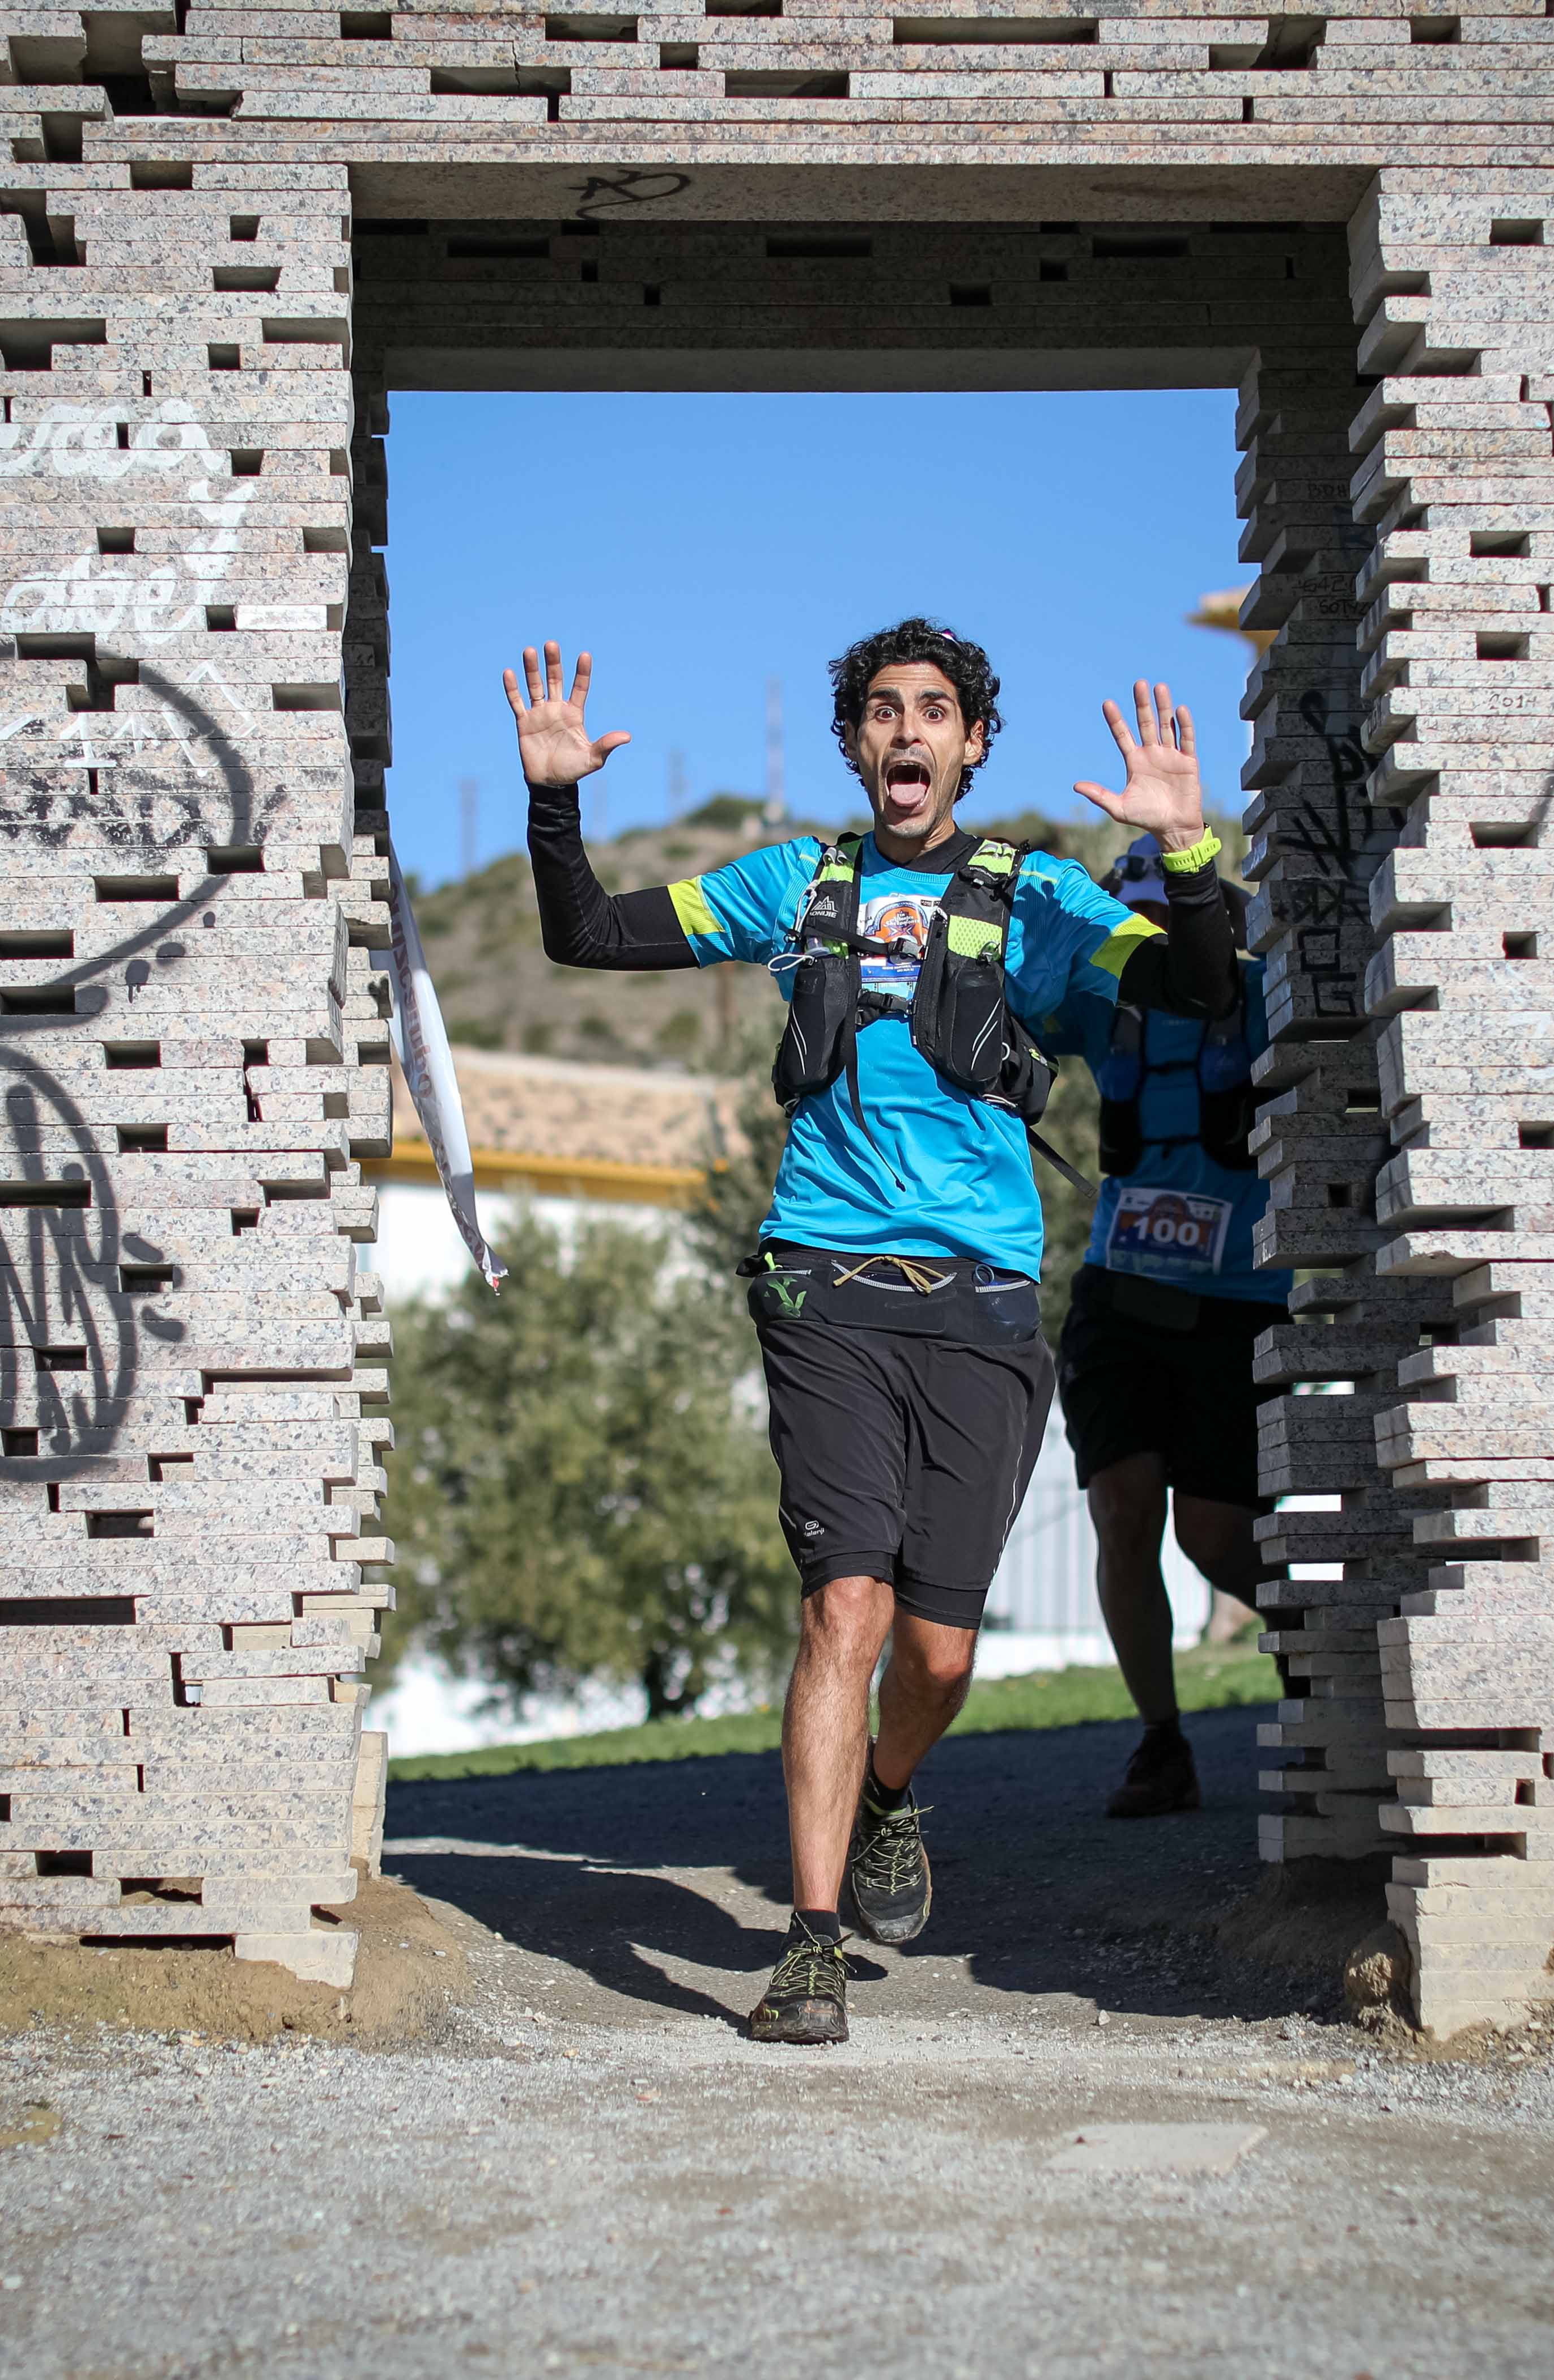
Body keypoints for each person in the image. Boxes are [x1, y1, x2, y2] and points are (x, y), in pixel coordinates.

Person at [507, 620, 1236, 2045]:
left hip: (979, 1309)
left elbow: (1200, 991)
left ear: (971, 746)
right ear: (855, 747)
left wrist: (1191, 850)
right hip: (824, 1288)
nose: (908, 732)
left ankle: (892, 1795)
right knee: (846, 1607)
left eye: (936, 712)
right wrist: (553, 799)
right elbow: (584, 932)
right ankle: (813, 1941)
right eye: (883, 713)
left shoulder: (1037, 901)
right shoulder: (797, 883)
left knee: (942, 1654)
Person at [1035, 836, 1293, 1820]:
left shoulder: (1269, 996)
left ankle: (1325, 1654)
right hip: (1121, 1301)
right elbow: (1007, 1009)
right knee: (1123, 1509)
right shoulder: (1104, 1004)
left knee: (1218, 1538)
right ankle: (1161, 1743)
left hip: (1238, 1305)